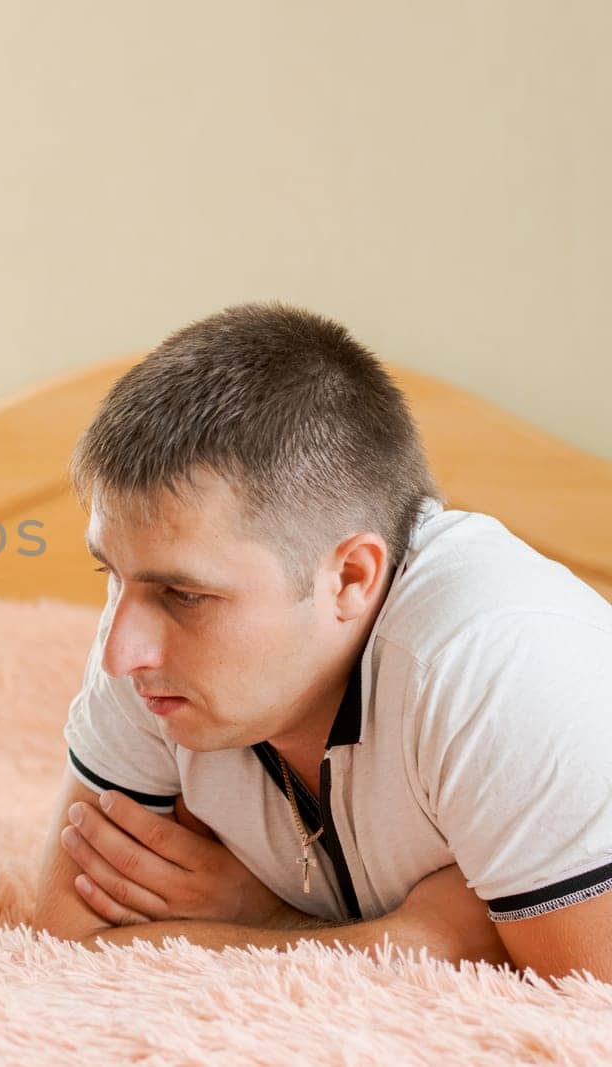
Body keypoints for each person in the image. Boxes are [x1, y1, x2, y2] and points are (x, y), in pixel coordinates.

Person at [33, 303, 612, 982]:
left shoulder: (502, 659)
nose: (120, 653)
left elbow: (585, 998)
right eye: (109, 572)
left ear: (350, 578)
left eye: (186, 595)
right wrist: (411, 935)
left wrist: (254, 914)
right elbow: (67, 939)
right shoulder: (153, 642)